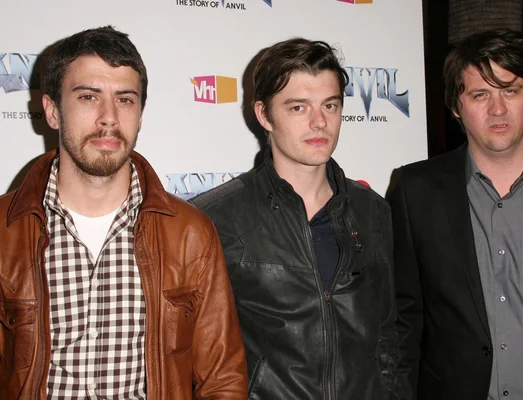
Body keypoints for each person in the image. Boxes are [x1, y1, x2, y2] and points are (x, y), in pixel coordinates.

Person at [0, 26, 247, 399]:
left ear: (141, 113)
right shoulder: (5, 231)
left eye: (125, 100)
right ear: (51, 111)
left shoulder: (190, 233)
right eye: (88, 97)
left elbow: (222, 379)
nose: (109, 117)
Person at [390, 28, 523, 400]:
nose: (497, 109)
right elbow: (403, 322)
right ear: (456, 106)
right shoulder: (414, 191)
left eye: (510, 90)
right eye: (480, 94)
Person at [190, 38, 400, 399]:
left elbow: (388, 336)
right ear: (263, 115)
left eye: (329, 105)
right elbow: (200, 355)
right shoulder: (216, 218)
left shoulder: (372, 211)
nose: (319, 122)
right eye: (298, 107)